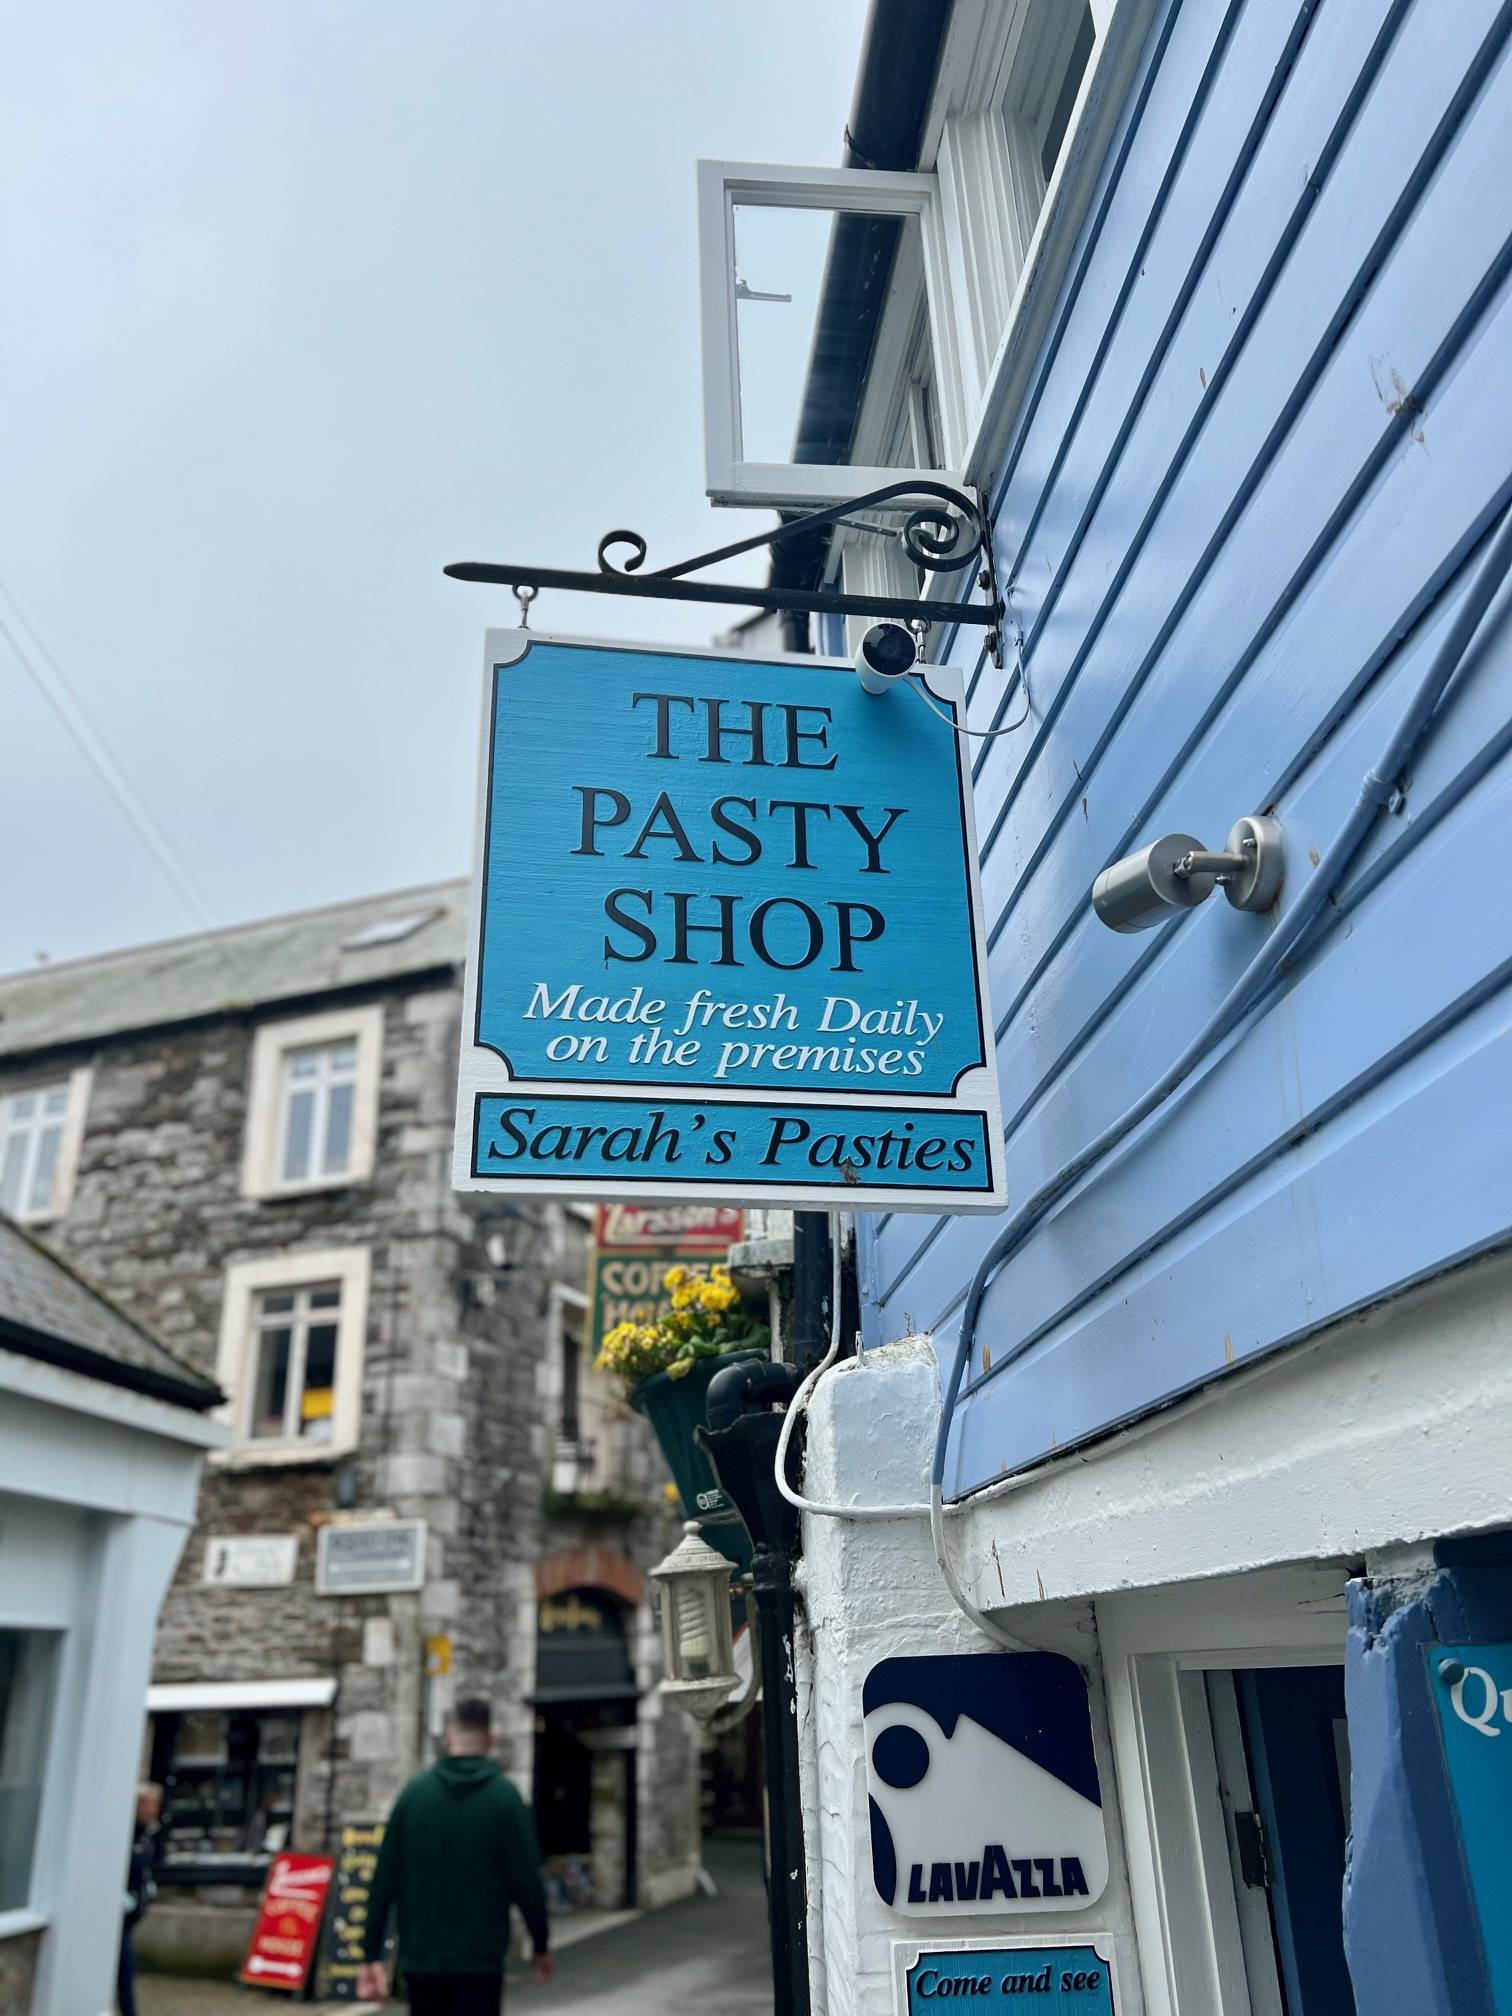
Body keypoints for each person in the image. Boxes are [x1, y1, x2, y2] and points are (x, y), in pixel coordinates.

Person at [358, 1697, 553, 2013]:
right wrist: (540, 1944)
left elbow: (383, 1880)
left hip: (423, 1960)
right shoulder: (505, 1800)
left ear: (450, 1737)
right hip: (481, 1961)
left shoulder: (414, 1795)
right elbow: (527, 1883)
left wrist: (370, 1955)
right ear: (489, 1740)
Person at [118, 1781, 163, 2016]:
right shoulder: (125, 1835)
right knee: (126, 1970)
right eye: (148, 1805)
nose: (153, 1810)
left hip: (132, 1918)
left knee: (122, 1970)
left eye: (155, 1805)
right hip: (117, 1919)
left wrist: (148, 1888)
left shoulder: (148, 1835)